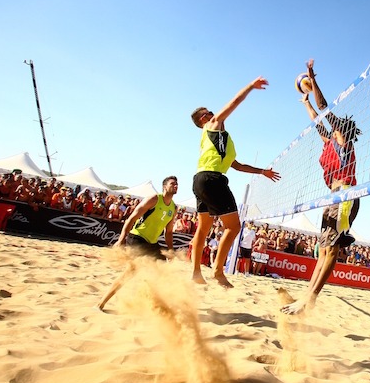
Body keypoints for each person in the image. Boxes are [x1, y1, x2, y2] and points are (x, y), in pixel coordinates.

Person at [282, 59, 362, 315]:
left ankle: (310, 299)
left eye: (336, 129)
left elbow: (325, 108)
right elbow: (318, 119)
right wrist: (305, 102)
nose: (332, 130)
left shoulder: (344, 143)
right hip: (332, 198)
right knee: (323, 250)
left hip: (346, 195)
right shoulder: (329, 142)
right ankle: (307, 298)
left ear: (342, 132)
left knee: (331, 252)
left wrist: (313, 80)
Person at [189, 76, 281, 286]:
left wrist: (262, 172)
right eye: (210, 113)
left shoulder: (220, 140)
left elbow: (238, 166)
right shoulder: (212, 126)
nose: (214, 114)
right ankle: (218, 271)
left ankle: (195, 273)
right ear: (204, 119)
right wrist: (251, 86)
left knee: (203, 229)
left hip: (200, 179)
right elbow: (234, 103)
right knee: (233, 227)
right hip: (212, 179)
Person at [98, 176, 179, 311]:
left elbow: (169, 232)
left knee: (162, 271)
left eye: (177, 184)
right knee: (131, 271)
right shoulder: (154, 199)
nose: (176, 186)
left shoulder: (174, 208)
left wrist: (170, 251)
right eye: (173, 184)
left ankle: (152, 303)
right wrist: (121, 239)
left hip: (151, 243)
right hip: (137, 237)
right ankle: (101, 303)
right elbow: (132, 218)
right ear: (165, 187)